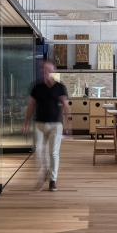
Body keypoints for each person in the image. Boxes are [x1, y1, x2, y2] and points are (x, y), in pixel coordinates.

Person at [23, 61, 70, 192]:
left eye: (49, 70)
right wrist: (26, 122)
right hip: (39, 124)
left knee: (53, 153)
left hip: (56, 124)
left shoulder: (60, 87)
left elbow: (65, 106)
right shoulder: (36, 87)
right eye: (44, 70)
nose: (46, 72)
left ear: (53, 71)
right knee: (39, 152)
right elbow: (31, 105)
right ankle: (44, 173)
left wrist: (67, 123)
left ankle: (53, 180)